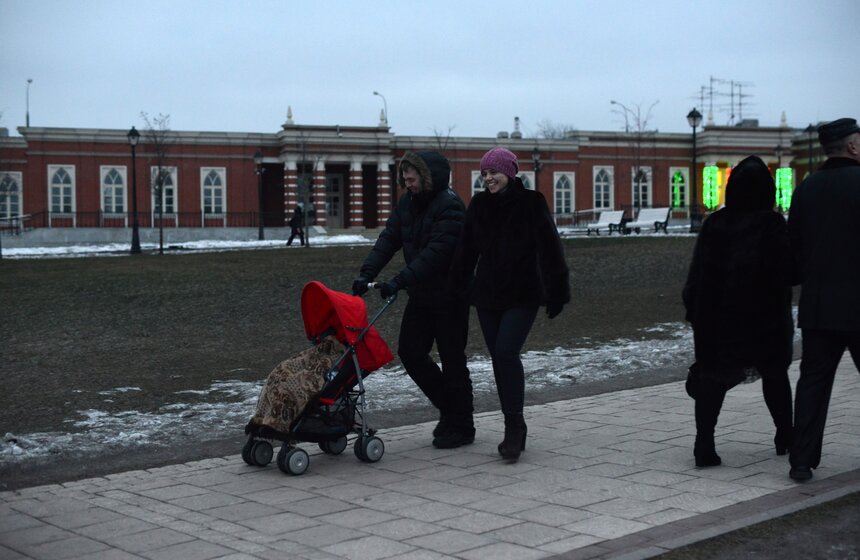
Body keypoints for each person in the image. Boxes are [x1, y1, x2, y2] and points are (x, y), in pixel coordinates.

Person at [450, 147, 570, 461]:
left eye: (494, 172)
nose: (488, 178)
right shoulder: (479, 205)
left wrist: (557, 291)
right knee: (499, 360)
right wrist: (458, 286)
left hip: (523, 293)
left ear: (509, 172)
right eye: (484, 173)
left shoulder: (532, 202)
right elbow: (466, 251)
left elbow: (550, 248)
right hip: (488, 295)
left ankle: (514, 427)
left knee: (506, 352)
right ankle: (513, 423)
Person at [352, 151, 474, 448]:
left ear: (427, 177)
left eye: (412, 179)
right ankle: (451, 410)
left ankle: (463, 425)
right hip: (422, 294)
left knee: (452, 359)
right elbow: (389, 238)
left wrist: (400, 280)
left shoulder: (450, 206)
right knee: (410, 352)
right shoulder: (408, 203)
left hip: (450, 295)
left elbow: (436, 253)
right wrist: (367, 273)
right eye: (404, 179)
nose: (407, 184)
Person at [683, 155, 795, 467]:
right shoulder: (772, 224)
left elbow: (698, 273)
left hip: (717, 316)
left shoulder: (715, 223)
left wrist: (694, 308)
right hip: (765, 318)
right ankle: (785, 435)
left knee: (712, 379)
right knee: (775, 375)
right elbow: (790, 271)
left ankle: (704, 443)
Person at [787, 117, 860, 482]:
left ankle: (801, 461)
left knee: (813, 383)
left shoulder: (806, 189)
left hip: (818, 305)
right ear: (853, 146)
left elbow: (793, 255)